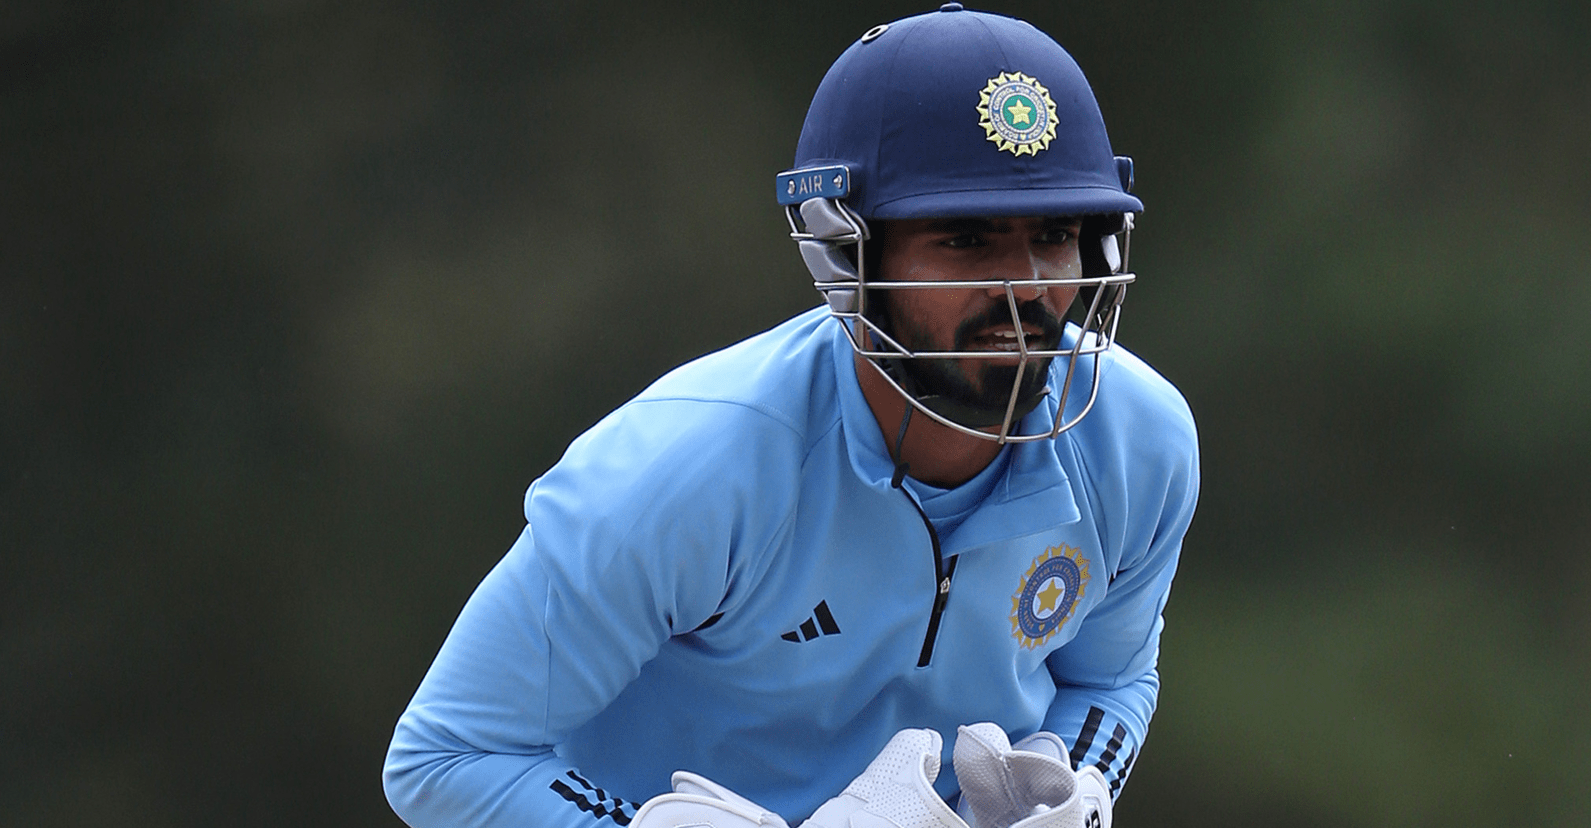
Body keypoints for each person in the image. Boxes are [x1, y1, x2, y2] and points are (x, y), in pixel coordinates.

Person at [383, 5, 1199, 828]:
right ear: (844, 255)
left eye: (1055, 233)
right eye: (965, 239)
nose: (1025, 286)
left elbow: (1108, 680)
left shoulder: (1139, 444)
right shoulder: (690, 470)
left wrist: (1079, 787)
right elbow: (446, 757)